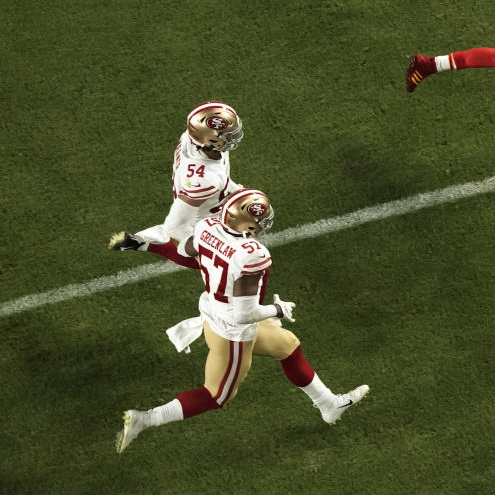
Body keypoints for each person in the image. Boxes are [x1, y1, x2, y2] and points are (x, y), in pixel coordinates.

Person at [116, 188, 369, 453]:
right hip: (232, 331)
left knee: (288, 346)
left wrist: (153, 245)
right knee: (217, 395)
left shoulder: (207, 226)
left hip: (214, 308)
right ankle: (145, 419)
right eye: (259, 221)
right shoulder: (252, 255)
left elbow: (186, 251)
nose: (262, 226)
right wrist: (277, 310)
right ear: (245, 221)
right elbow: (244, 314)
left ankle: (329, 405)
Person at [108, 101, 245, 269]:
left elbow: (218, 175)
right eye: (228, 136)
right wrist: (201, 246)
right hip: (202, 217)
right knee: (223, 264)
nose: (233, 137)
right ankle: (151, 243)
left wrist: (233, 189)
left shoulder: (194, 139)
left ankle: (141, 240)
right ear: (209, 141)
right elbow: (176, 226)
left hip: (205, 195)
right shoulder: (206, 179)